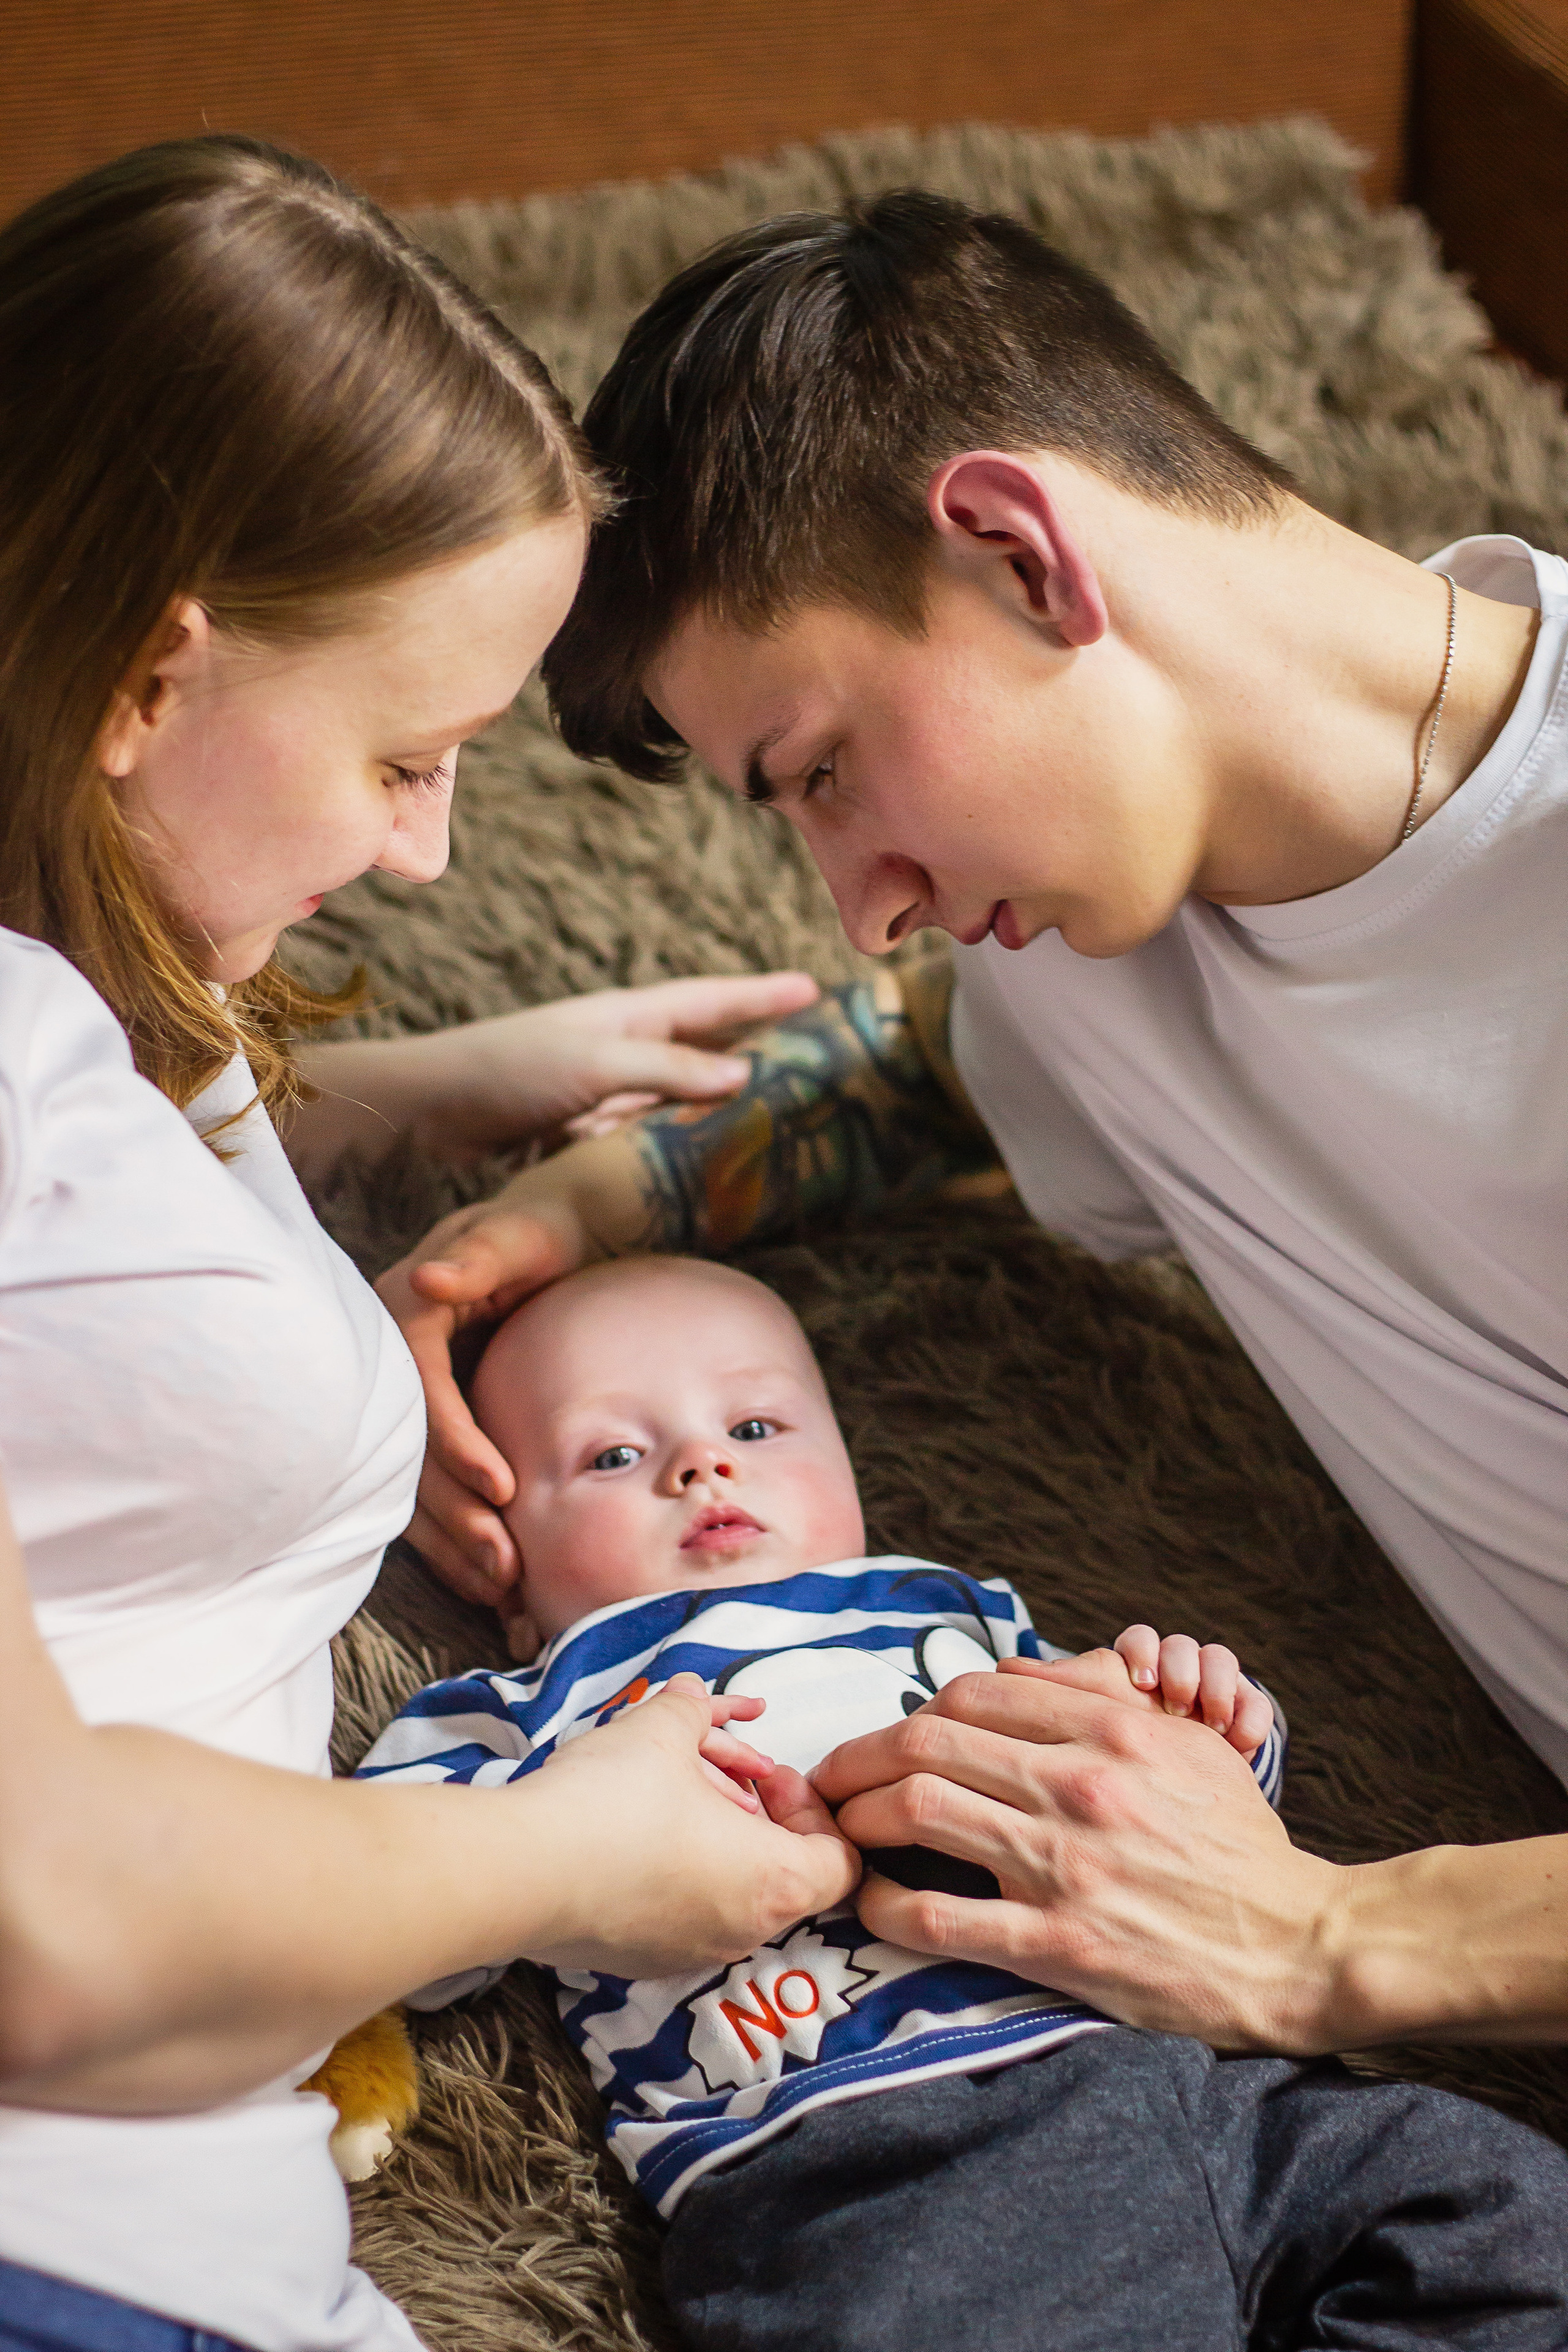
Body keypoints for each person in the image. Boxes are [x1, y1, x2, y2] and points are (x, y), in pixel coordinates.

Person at [379, 190, 1568, 2057]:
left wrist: (1338, 1933)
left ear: (1023, 553)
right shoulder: (1086, 935)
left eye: (828, 771)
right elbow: (922, 1061)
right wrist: (563, 1217)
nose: (860, 901)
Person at [0, 138, 859, 2352]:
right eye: (408, 754)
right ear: (146, 676)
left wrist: (436, 1080)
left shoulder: (94, 984)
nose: (427, 851)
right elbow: (44, 1924)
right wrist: (570, 1857)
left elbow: (85, 1212)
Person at [358, 1255, 1568, 2351]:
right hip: (885, 2154)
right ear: (499, 1573)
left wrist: (1204, 1727)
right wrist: (549, 1850)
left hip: (1204, 2074)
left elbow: (1173, 1828)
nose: (701, 1463)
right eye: (612, 1455)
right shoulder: (525, 1696)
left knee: (1506, 2222)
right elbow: (392, 1907)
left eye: (756, 1423)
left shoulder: (964, 1608)